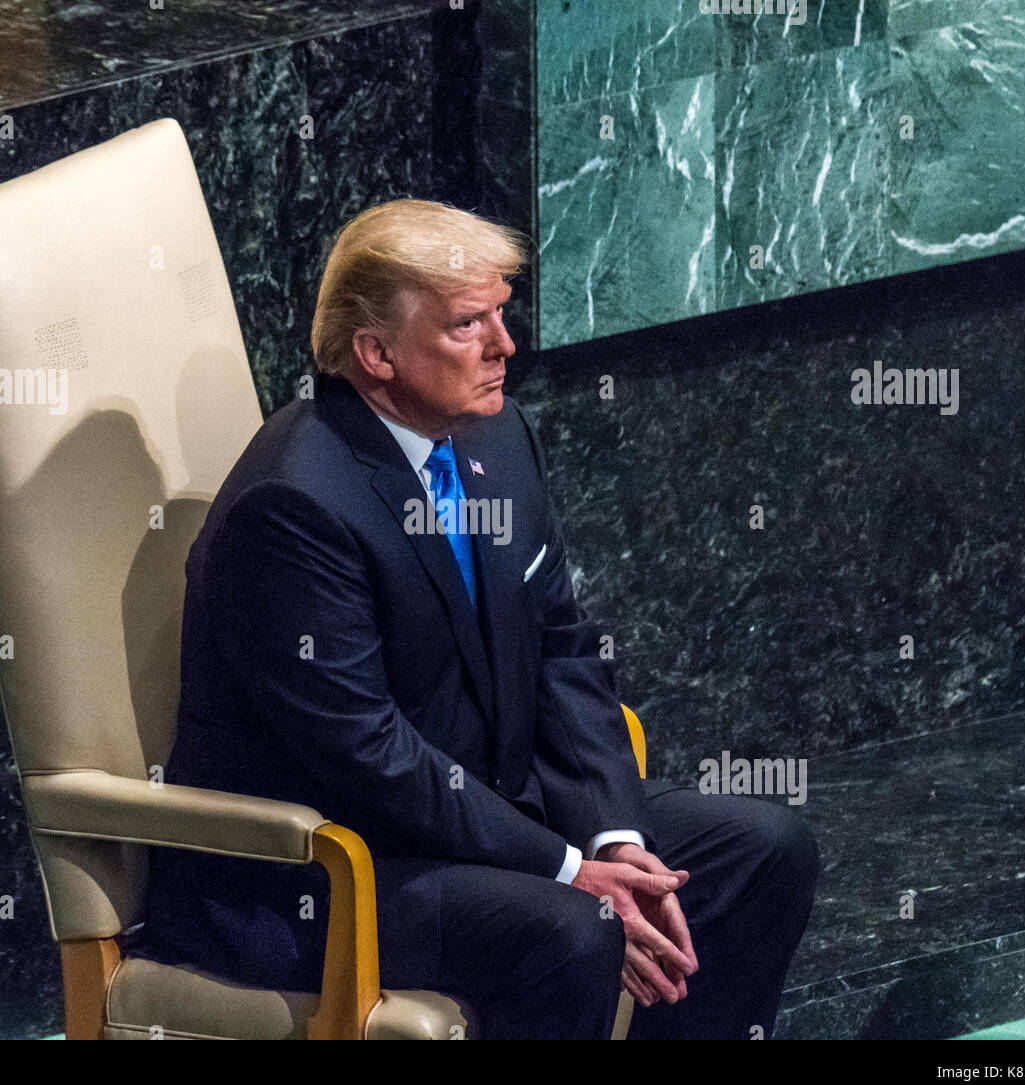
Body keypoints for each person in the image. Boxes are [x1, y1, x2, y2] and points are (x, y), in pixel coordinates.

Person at [131, 199, 819, 1039]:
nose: (506, 347)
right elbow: (368, 758)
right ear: (376, 353)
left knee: (761, 849)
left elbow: (562, 650)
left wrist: (612, 840)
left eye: (501, 313)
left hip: (479, 817)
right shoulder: (294, 504)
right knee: (573, 930)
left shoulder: (495, 439)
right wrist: (566, 872)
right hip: (323, 871)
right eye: (468, 325)